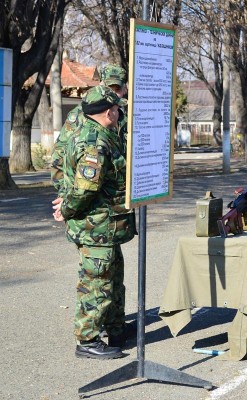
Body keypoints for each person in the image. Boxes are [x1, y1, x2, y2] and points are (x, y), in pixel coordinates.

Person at [52, 86, 136, 359]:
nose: (118, 111)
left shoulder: (103, 133)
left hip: (108, 227)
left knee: (113, 280)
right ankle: (87, 339)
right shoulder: (94, 142)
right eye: (116, 108)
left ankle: (115, 328)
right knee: (97, 282)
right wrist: (66, 208)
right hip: (95, 227)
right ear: (107, 111)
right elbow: (85, 188)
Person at [51, 64, 128, 218]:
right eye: (109, 88)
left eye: (117, 89)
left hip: (114, 205)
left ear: (125, 88)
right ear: (101, 85)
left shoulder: (126, 116)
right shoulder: (82, 114)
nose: (113, 93)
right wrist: (66, 197)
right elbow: (60, 155)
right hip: (90, 209)